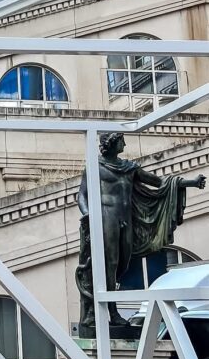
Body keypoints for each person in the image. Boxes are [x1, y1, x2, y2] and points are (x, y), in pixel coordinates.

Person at [75, 132, 205, 337]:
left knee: (122, 264)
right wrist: (87, 214)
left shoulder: (129, 168)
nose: (125, 143)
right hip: (105, 218)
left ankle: (107, 307)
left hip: (126, 219)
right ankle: (109, 311)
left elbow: (159, 182)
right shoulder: (95, 167)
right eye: (121, 140)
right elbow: (82, 195)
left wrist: (190, 182)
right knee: (109, 264)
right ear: (111, 143)